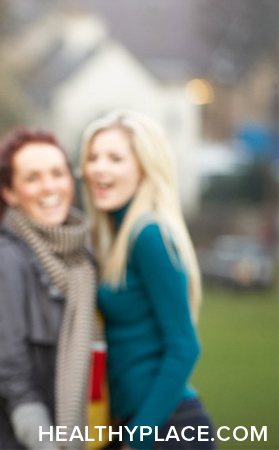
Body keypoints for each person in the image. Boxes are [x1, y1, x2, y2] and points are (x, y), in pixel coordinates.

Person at [80, 109, 212, 450]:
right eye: (93, 157)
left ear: (144, 168)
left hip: (168, 428)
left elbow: (184, 346)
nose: (99, 168)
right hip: (132, 424)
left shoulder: (148, 234)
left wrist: (136, 441)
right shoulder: (115, 234)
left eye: (115, 158)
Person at [0, 128, 97, 449]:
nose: (50, 187)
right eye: (32, 178)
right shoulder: (3, 260)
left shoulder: (84, 257)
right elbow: (11, 376)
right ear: (10, 193)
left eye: (58, 173)